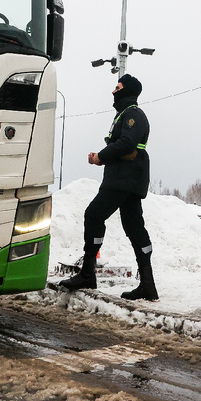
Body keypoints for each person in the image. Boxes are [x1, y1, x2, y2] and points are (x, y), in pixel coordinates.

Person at [58, 74, 157, 300]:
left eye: (117, 87)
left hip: (122, 179)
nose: (113, 91)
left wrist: (101, 157)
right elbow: (125, 145)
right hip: (129, 179)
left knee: (93, 216)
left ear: (127, 91)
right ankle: (148, 285)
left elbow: (127, 143)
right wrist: (104, 157)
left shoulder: (132, 114)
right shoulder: (126, 114)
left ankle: (87, 274)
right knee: (134, 228)